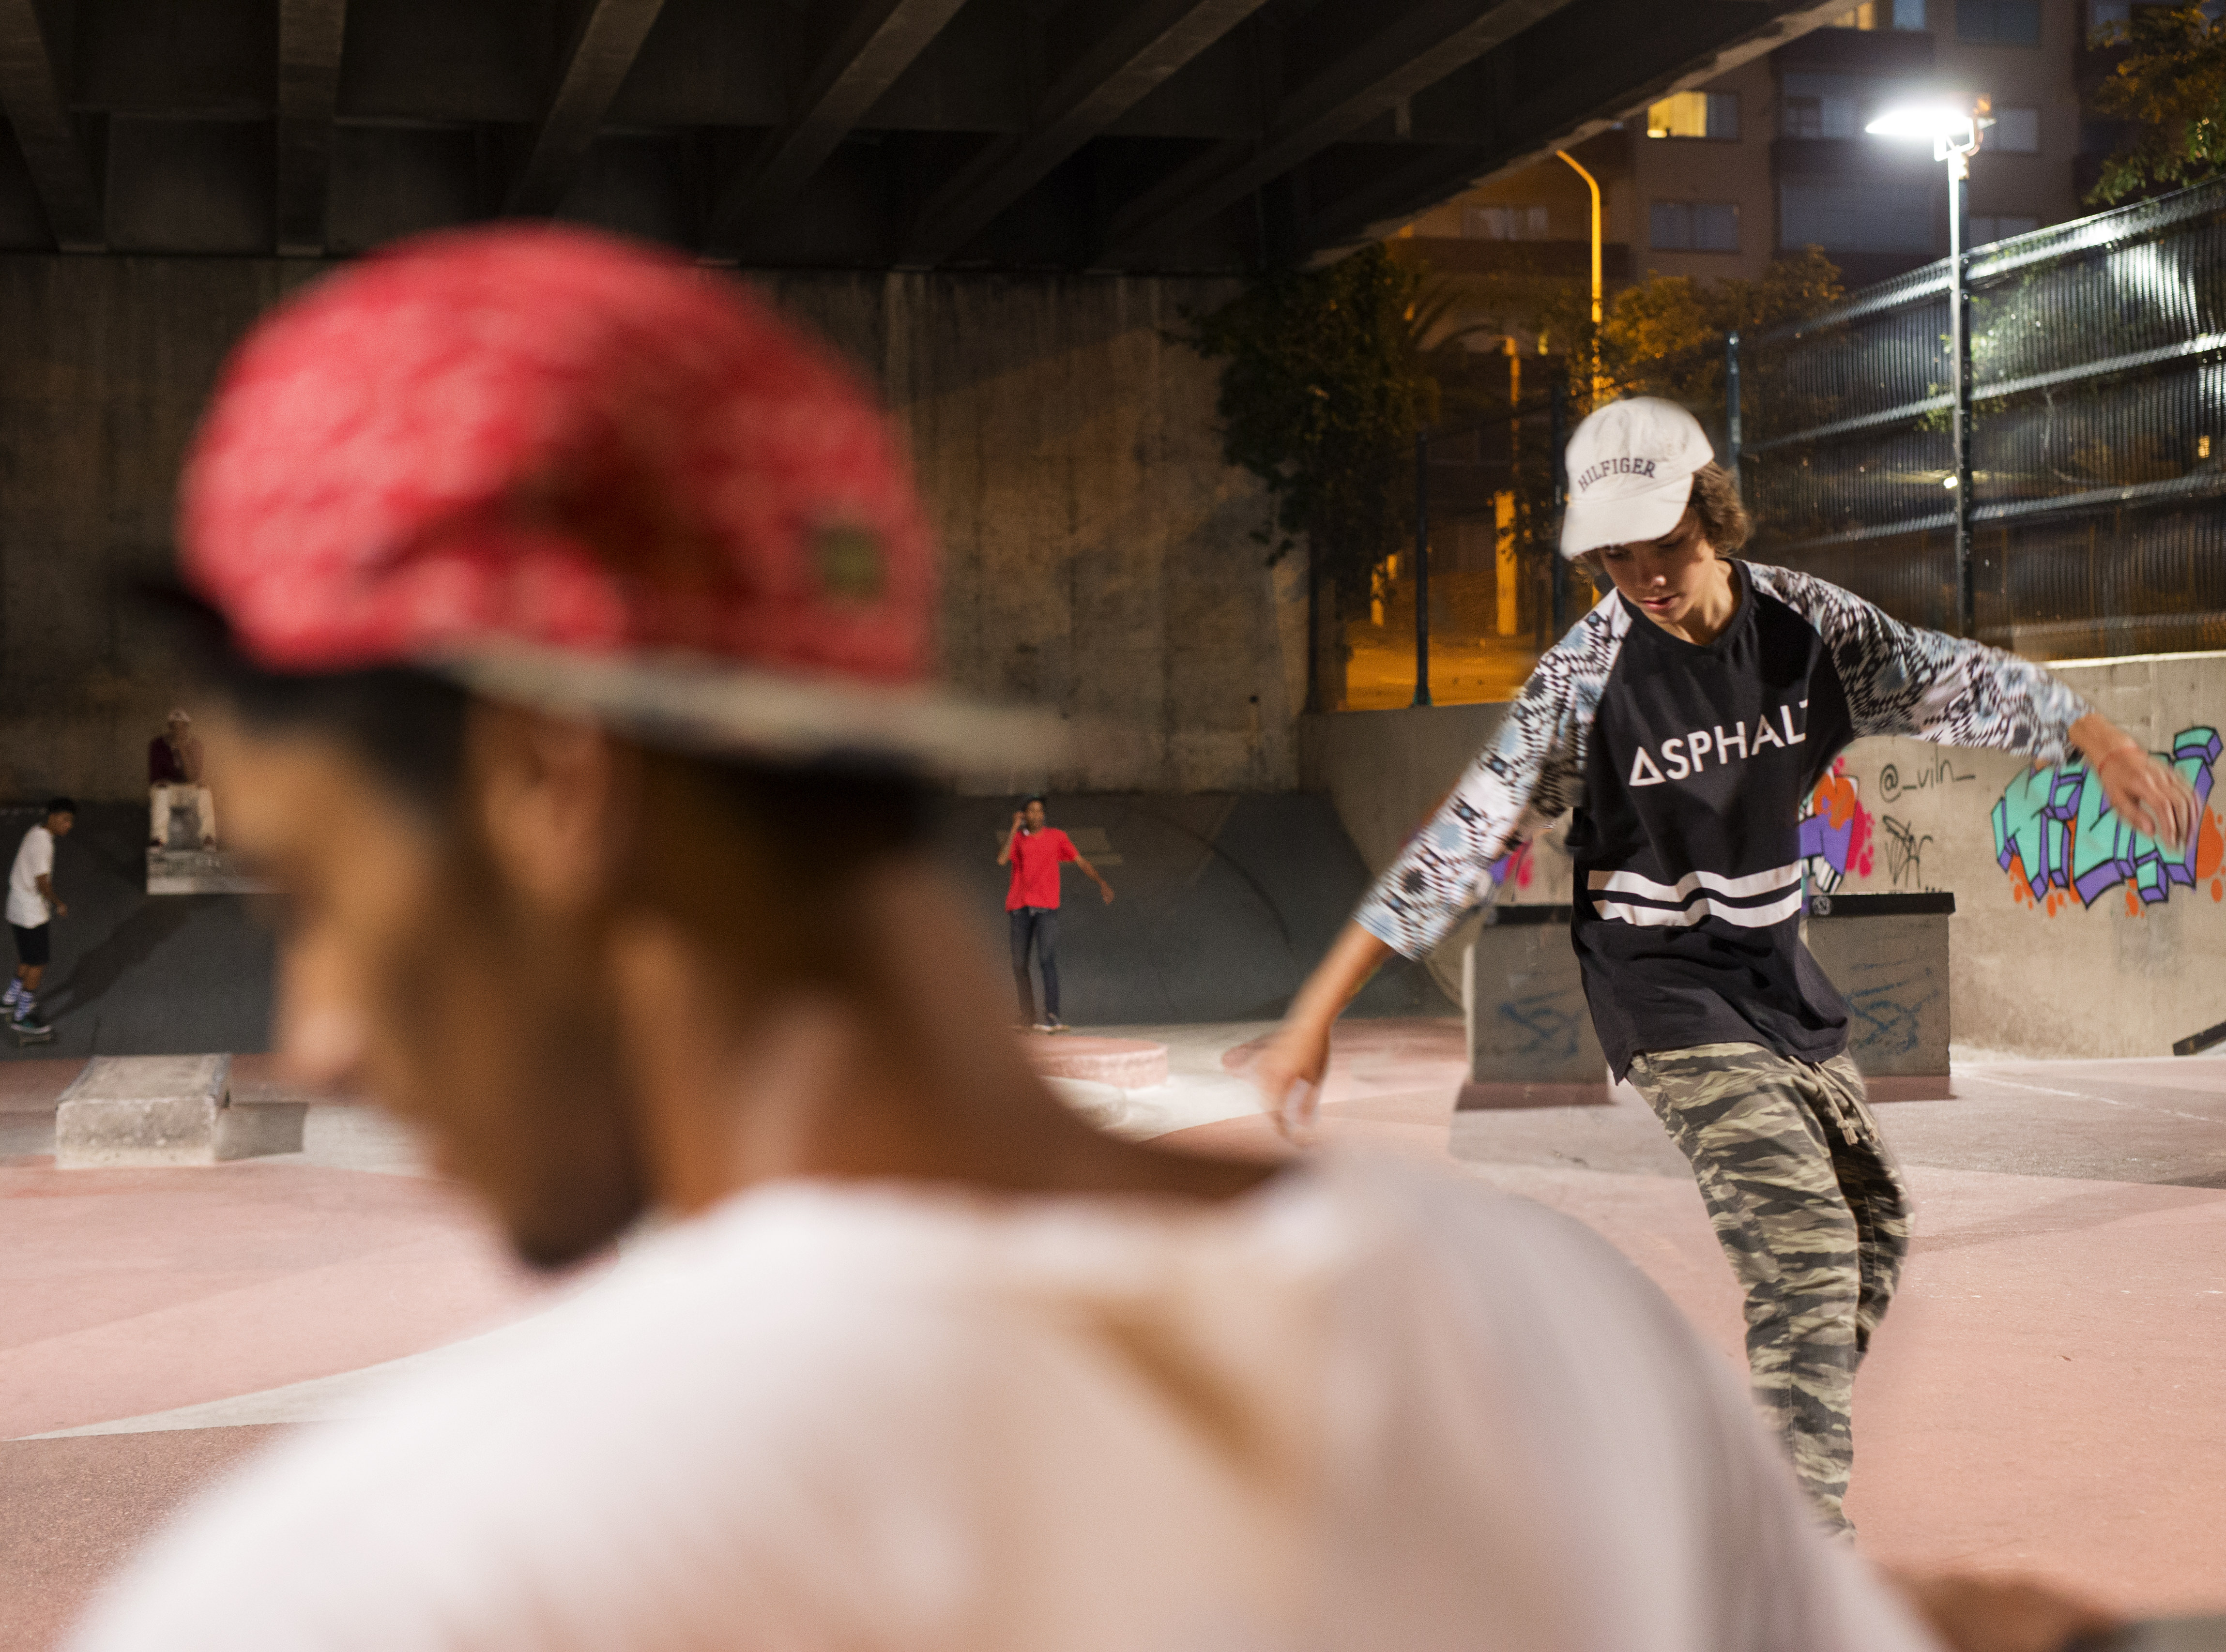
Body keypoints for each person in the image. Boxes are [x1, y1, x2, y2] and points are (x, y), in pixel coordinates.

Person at [73, 230, 2110, 1652]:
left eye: (323, 894)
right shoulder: (1550, 1342)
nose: (311, 1030)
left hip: (1762, 992)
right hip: (1676, 1013)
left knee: (1843, 1230)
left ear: (550, 782)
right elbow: (1464, 830)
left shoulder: (389, 1585)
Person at [1255, 396, 2201, 1535]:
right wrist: (1315, 1011)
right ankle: (1790, 1544)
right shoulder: (1583, 678)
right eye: (1617, 558)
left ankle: (1728, 1469)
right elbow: (1461, 838)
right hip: (1658, 985)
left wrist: (2099, 740)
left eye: (1666, 545)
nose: (1646, 578)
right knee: (1803, 1242)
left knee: (1871, 1225)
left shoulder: (1808, 626)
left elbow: (1953, 679)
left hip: (1772, 972)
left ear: (1713, 514)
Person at [998, 794, 1113, 1031]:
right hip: (1020, 908)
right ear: (1024, 815)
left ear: (1044, 815)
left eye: (1040, 811)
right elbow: (1002, 860)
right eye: (1031, 811)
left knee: (1046, 960)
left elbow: (1080, 861)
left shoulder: (1056, 837)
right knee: (1019, 964)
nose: (1036, 815)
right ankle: (1027, 1017)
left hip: (1046, 909)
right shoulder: (1018, 839)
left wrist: (1101, 882)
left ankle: (1053, 1016)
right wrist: (1014, 828)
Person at [5, 796, 74, 1032]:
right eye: (65, 820)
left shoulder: (36, 831)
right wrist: (58, 903)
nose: (69, 826)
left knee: (26, 957)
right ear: (52, 818)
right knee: (38, 963)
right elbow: (42, 882)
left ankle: (10, 1000)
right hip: (31, 913)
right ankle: (21, 1016)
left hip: (17, 906)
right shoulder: (43, 844)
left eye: (71, 821)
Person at [147, 707, 219, 850]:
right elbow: (156, 778)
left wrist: (182, 748)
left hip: (188, 790)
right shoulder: (158, 745)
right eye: (175, 727)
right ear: (170, 728)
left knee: (205, 791)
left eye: (182, 728)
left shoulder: (195, 745)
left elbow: (194, 777)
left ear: (187, 728)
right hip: (168, 791)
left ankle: (208, 838)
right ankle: (158, 839)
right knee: (161, 791)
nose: (178, 731)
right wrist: (163, 783)